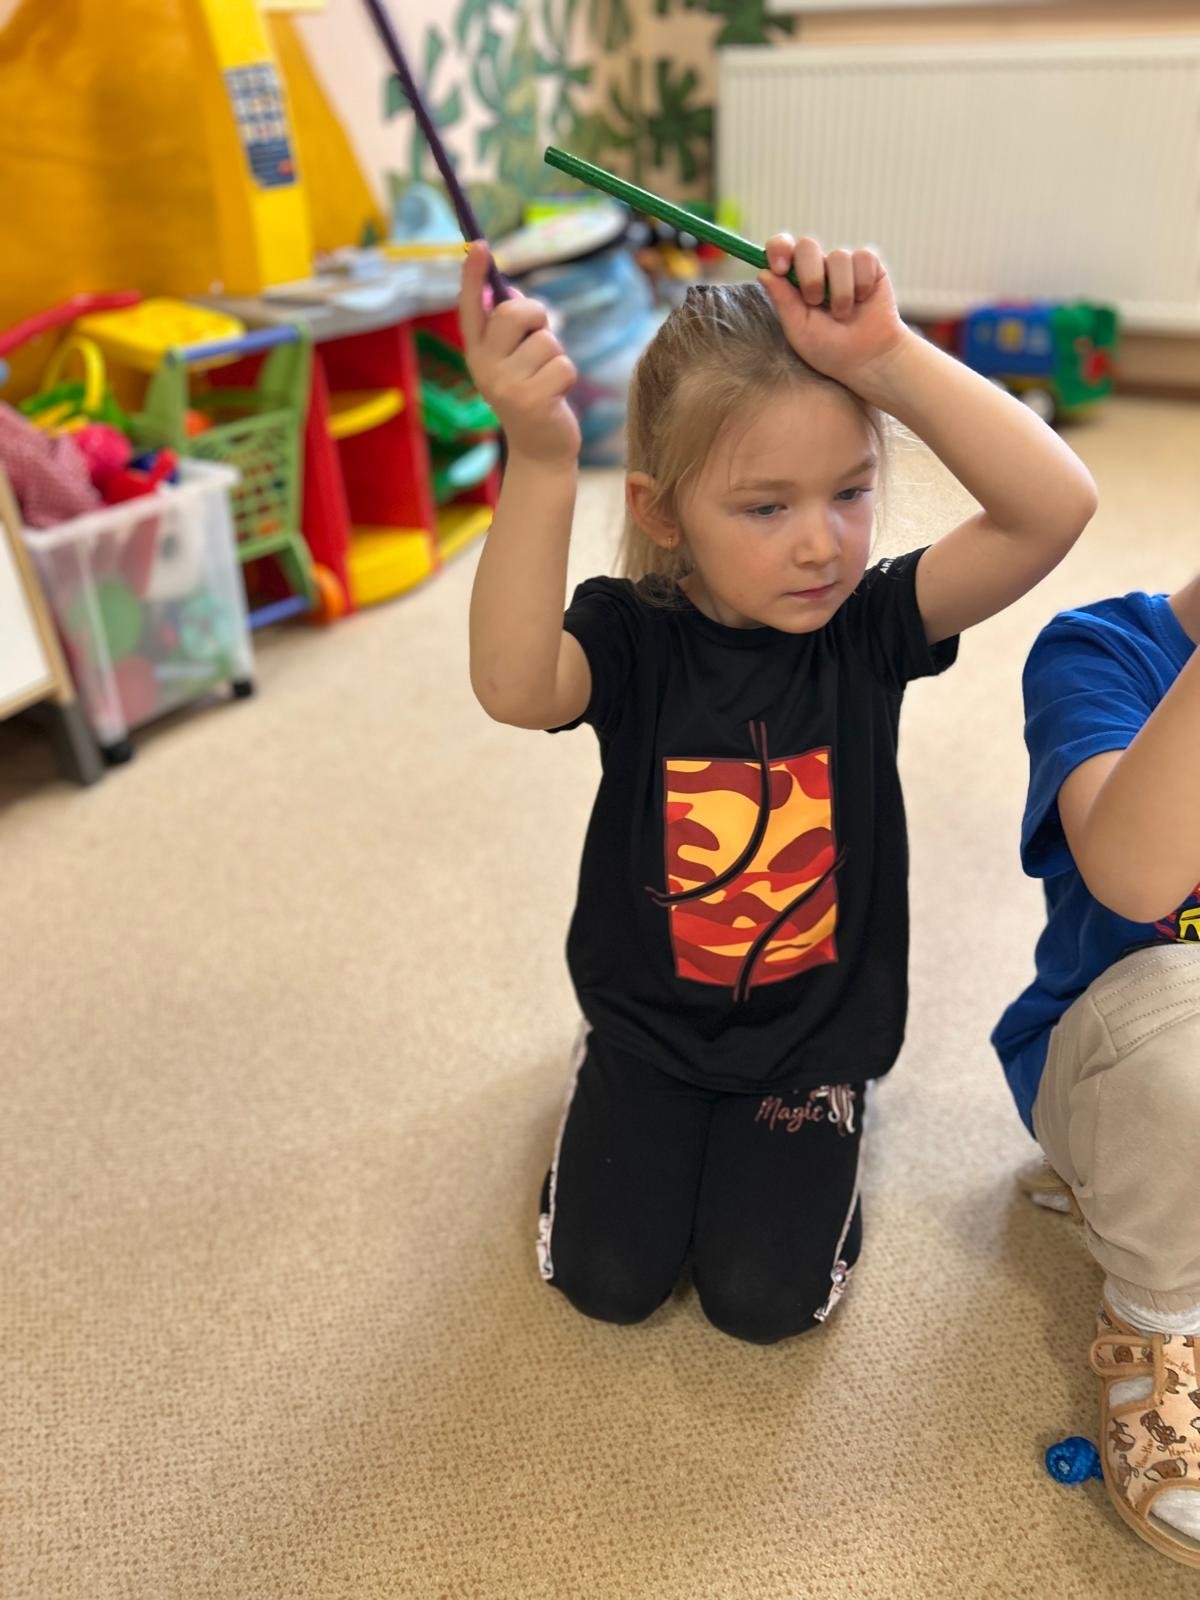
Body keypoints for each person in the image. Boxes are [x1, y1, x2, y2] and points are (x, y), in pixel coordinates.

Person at [462, 231, 1096, 1346]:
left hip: (813, 1038)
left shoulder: (871, 624)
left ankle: (825, 1116)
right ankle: (601, 1070)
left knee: (763, 1302)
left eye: (850, 493)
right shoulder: (633, 635)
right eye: (765, 508)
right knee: (607, 1282)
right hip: (649, 1023)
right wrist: (543, 459)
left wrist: (887, 357)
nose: (821, 546)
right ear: (662, 514)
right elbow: (516, 687)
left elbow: (1053, 508)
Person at [993, 572, 1200, 1567]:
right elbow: (1134, 877)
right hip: (1125, 1070)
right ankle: (1157, 1314)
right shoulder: (1102, 652)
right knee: (1182, 1022)